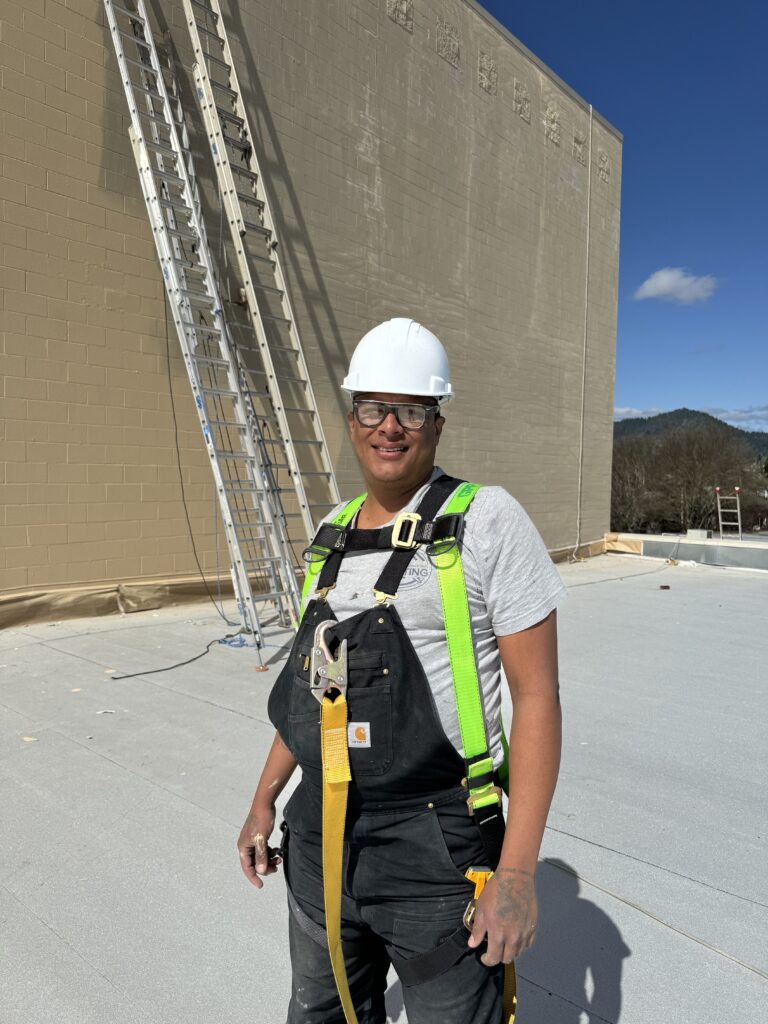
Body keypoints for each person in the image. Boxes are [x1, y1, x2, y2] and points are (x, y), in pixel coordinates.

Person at [237, 318, 566, 1024]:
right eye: (374, 408)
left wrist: (515, 872)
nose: (390, 426)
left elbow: (537, 697)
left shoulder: (487, 520)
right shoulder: (331, 535)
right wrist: (265, 798)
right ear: (352, 418)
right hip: (319, 835)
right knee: (320, 1010)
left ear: (437, 422)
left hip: (437, 845)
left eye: (412, 411)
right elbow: (323, 687)